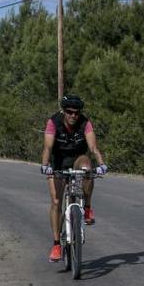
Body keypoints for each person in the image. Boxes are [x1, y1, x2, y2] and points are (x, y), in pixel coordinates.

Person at [40, 95, 108, 262]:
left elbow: (93, 147)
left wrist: (101, 163)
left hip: (77, 159)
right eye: (69, 112)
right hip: (57, 163)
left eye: (76, 113)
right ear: (64, 111)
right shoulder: (53, 122)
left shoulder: (85, 123)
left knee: (87, 168)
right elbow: (48, 147)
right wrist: (45, 165)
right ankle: (56, 245)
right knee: (56, 201)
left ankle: (87, 207)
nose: (73, 116)